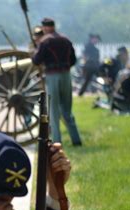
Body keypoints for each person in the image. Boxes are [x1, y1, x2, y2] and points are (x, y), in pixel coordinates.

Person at [32, 18, 82, 146]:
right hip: (66, 75)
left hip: (52, 76)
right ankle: (76, 140)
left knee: (53, 111)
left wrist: (35, 50)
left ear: (44, 28)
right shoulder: (66, 39)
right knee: (67, 110)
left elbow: (36, 60)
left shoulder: (45, 41)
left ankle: (57, 141)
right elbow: (73, 60)